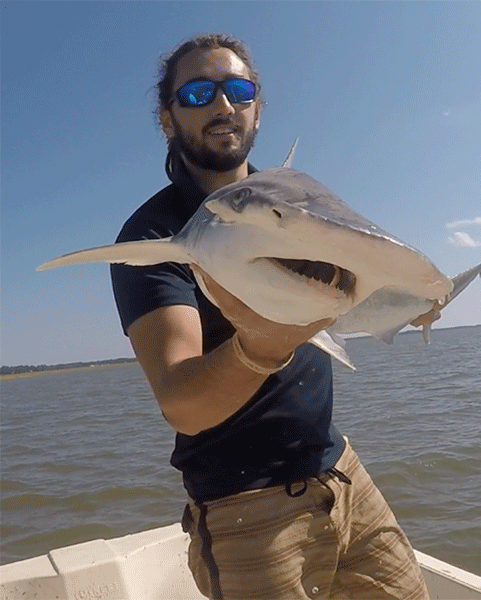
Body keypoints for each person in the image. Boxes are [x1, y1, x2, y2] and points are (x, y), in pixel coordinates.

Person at [110, 33, 435, 600]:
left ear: (257, 105)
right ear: (167, 118)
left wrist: (406, 298)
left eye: (238, 89)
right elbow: (182, 404)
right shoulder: (153, 239)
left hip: (343, 471)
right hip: (246, 512)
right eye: (197, 93)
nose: (222, 105)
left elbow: (354, 284)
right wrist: (259, 345)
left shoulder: (308, 203)